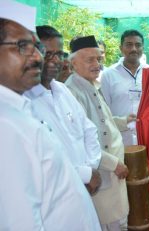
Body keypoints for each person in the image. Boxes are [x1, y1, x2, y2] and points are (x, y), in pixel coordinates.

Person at [0, 1, 100, 230]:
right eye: (22, 46)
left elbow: (87, 130)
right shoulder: (5, 125)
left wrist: (86, 171)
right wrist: (83, 174)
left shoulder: (19, 109)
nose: (38, 58)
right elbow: (20, 222)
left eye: (38, 48)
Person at [25, 25, 102, 194]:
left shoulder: (62, 90)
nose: (55, 60)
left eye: (59, 54)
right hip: (56, 193)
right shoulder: (24, 101)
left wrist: (90, 169)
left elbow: (89, 130)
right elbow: (41, 159)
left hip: (86, 187)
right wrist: (83, 175)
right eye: (47, 54)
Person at [65, 35, 130, 230]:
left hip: (111, 171)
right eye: (90, 60)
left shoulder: (90, 84)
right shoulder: (72, 92)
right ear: (73, 63)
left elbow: (104, 122)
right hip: (102, 173)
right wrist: (114, 163)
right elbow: (80, 140)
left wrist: (125, 121)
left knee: (119, 218)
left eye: (99, 59)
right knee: (110, 222)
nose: (97, 64)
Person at [101, 29, 149, 146]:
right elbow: (103, 111)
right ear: (121, 48)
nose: (134, 49)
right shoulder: (109, 75)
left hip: (147, 138)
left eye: (138, 45)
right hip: (119, 140)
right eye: (129, 45)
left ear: (143, 48)